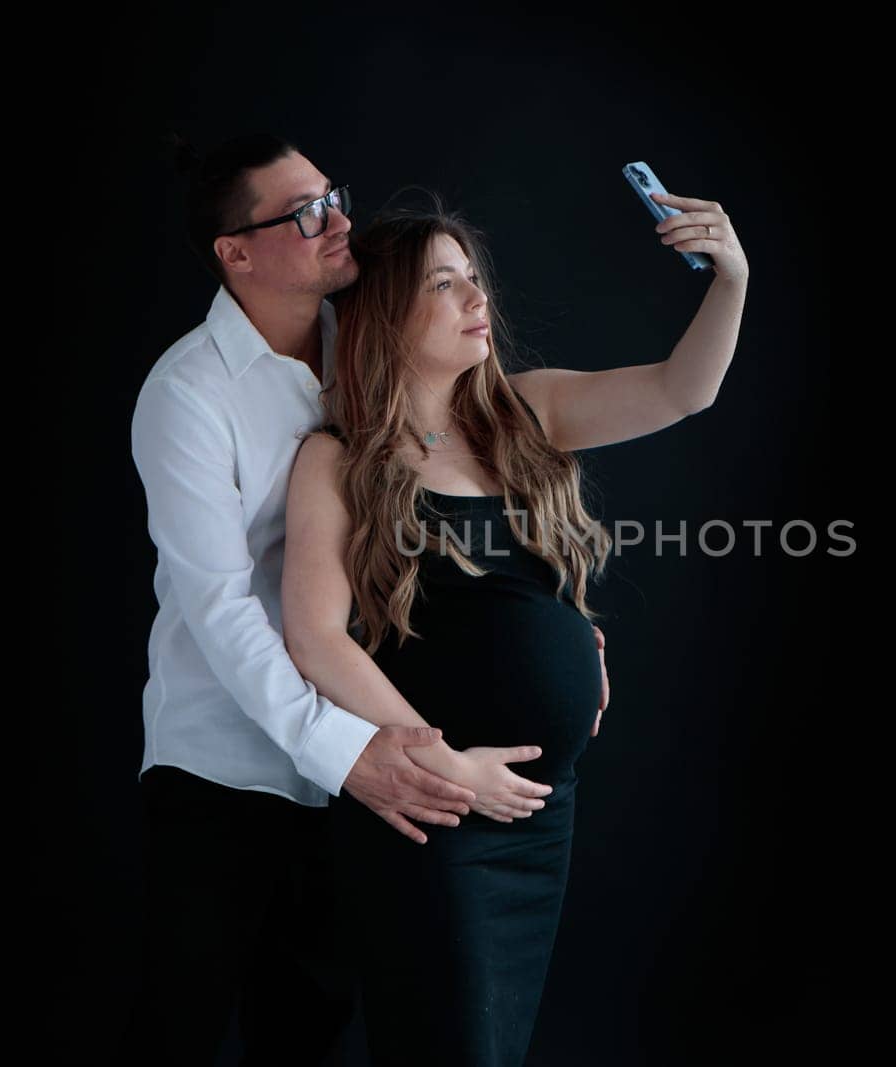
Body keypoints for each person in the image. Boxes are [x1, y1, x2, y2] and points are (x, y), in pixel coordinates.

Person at [120, 133, 611, 1065]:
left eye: (332, 194)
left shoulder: (371, 335)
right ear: (237, 252)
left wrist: (559, 618)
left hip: (363, 773)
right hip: (232, 769)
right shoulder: (187, 394)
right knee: (177, 1027)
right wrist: (358, 755)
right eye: (304, 213)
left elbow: (468, 499)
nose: (339, 219)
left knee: (311, 1033)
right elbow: (227, 610)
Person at [282, 189, 748, 1064]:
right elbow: (315, 637)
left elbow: (685, 390)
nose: (477, 299)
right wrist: (443, 763)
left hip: (540, 817)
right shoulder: (338, 457)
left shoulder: (524, 413)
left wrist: (733, 279)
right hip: (434, 806)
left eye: (475, 280)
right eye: (445, 285)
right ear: (387, 310)